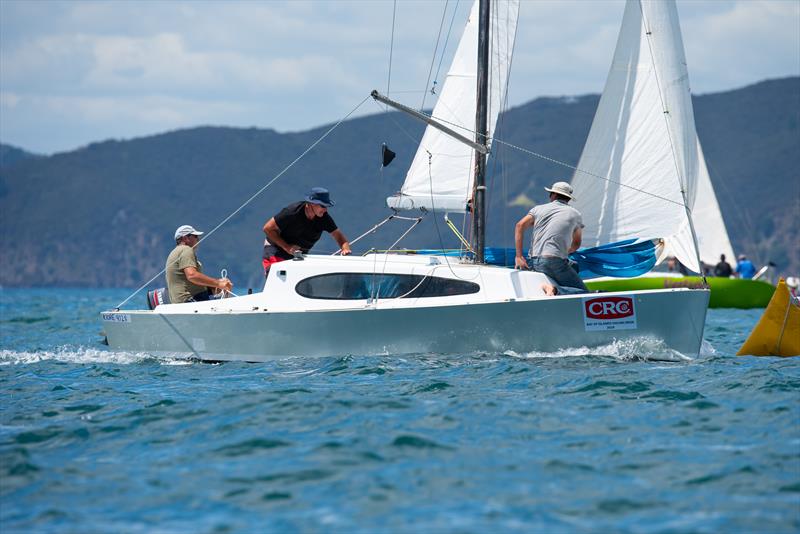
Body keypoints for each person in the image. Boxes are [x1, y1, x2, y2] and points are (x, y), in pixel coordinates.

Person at [514, 181, 588, 295]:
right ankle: (556, 290)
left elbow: (520, 225)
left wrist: (519, 256)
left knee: (573, 265)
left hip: (533, 261)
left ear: (553, 195)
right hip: (554, 262)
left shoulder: (537, 209)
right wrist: (564, 251)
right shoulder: (575, 214)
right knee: (584, 292)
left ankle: (555, 289)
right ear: (568, 199)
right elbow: (576, 244)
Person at [262, 187, 351, 275]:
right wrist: (287, 247)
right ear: (312, 203)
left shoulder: (324, 218)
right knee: (279, 275)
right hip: (276, 249)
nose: (325, 209)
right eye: (322, 206)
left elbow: (339, 236)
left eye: (327, 206)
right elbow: (268, 228)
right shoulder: (292, 211)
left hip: (298, 255)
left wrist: (345, 249)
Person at [166, 225, 233, 303]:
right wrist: (219, 283)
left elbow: (190, 284)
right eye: (195, 236)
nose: (198, 239)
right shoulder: (186, 250)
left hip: (182, 301)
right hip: (190, 302)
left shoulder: (174, 252)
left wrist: (219, 286)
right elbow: (192, 275)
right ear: (185, 238)